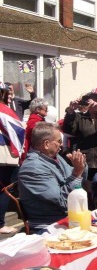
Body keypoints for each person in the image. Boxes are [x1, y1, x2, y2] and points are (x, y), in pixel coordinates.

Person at [18, 122, 87, 231]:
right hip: (49, 226)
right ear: (46, 144)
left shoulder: (55, 157)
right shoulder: (33, 168)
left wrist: (81, 165)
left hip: (69, 217)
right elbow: (64, 201)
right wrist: (77, 172)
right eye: (59, 141)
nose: (61, 145)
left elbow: (78, 183)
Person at [63, 88, 97, 181]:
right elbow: (68, 130)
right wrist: (71, 112)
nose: (93, 102)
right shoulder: (80, 116)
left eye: (96, 99)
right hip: (85, 161)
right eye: (91, 99)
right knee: (85, 190)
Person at [0, 82, 22, 234]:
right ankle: (0, 224)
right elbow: (19, 130)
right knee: (4, 189)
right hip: (4, 154)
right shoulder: (5, 110)